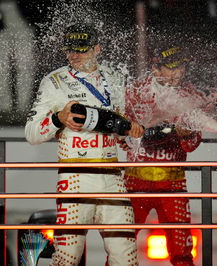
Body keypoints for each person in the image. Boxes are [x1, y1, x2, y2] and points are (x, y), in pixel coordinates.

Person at [25, 23, 143, 266]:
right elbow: (31, 134)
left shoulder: (115, 77)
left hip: (113, 177)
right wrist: (58, 119)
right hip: (75, 178)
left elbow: (124, 134)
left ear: (97, 49)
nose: (74, 55)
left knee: (126, 257)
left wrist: (131, 131)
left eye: (81, 50)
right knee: (68, 257)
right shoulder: (54, 81)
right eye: (70, 50)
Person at [122, 44, 205, 266]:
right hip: (134, 182)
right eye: (171, 68)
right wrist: (134, 134)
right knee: (121, 250)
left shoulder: (192, 95)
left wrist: (187, 135)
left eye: (181, 67)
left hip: (173, 183)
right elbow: (122, 137)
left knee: (182, 253)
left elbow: (191, 146)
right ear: (155, 69)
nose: (178, 72)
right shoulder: (134, 91)